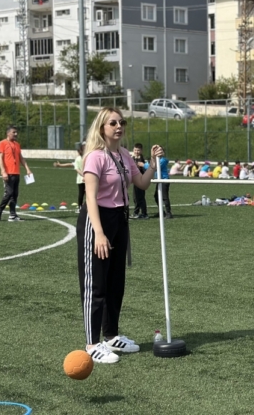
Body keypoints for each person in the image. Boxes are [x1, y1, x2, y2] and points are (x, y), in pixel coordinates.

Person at [77, 107, 163, 364]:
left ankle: (111, 336)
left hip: (120, 220)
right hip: (97, 221)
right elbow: (90, 197)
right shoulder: (94, 157)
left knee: (116, 284)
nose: (118, 126)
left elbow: (142, 184)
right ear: (102, 128)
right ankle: (92, 343)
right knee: (97, 285)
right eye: (112, 122)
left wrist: (153, 163)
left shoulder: (124, 155)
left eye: (121, 122)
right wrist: (99, 234)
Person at [0, 125, 31, 222]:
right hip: (8, 173)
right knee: (9, 193)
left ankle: (12, 215)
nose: (16, 134)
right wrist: (3, 171)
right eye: (14, 132)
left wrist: (27, 169)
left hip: (16, 173)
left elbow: (21, 158)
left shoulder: (17, 144)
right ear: (8, 133)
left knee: (15, 194)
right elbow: (0, 158)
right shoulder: (2, 143)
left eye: (16, 132)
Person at [53, 141, 86, 214]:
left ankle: (80, 207)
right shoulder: (86, 157)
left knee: (81, 194)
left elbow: (74, 166)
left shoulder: (79, 158)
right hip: (86, 179)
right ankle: (86, 207)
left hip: (81, 179)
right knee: (88, 194)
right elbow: (72, 165)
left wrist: (60, 165)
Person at [130, 143, 149, 220]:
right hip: (136, 180)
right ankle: (137, 212)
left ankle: (143, 213)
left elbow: (143, 169)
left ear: (141, 151)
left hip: (141, 179)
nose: (136, 151)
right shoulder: (133, 158)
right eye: (135, 150)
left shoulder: (141, 160)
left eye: (138, 150)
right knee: (136, 197)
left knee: (140, 197)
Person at [153, 148, 173, 219]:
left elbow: (155, 167)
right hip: (159, 180)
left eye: (160, 151)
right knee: (156, 196)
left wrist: (144, 165)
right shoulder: (156, 160)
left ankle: (168, 213)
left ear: (163, 153)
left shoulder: (163, 160)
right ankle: (161, 211)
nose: (158, 153)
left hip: (164, 180)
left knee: (164, 197)